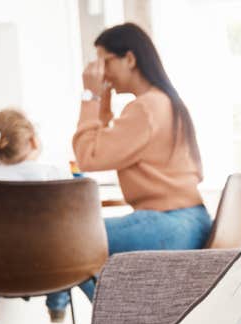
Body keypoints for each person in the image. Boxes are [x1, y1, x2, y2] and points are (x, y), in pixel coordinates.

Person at [72, 23, 210, 301]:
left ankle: (115, 318)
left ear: (130, 59)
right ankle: (125, 316)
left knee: (67, 241)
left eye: (105, 62)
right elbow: (98, 150)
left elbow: (87, 156)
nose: (103, 73)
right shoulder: (165, 101)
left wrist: (92, 96)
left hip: (167, 224)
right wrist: (103, 105)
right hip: (191, 221)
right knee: (79, 243)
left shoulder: (144, 108)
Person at [0, 108, 75, 324]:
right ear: (34, 140)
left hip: (3, 268)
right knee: (63, 242)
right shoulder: (56, 172)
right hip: (54, 268)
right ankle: (57, 305)